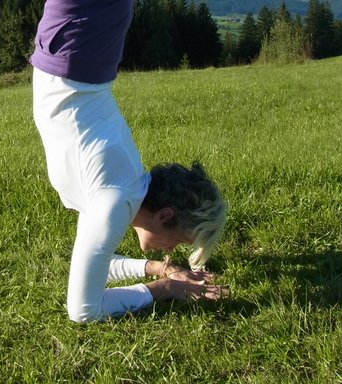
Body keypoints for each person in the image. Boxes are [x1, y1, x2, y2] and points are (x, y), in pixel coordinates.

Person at [30, 0, 228, 323]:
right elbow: (83, 310)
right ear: (165, 214)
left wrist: (157, 270)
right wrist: (164, 288)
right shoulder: (116, 200)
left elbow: (98, 264)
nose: (169, 251)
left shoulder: (124, 188)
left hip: (81, 47)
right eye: (178, 242)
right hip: (79, 41)